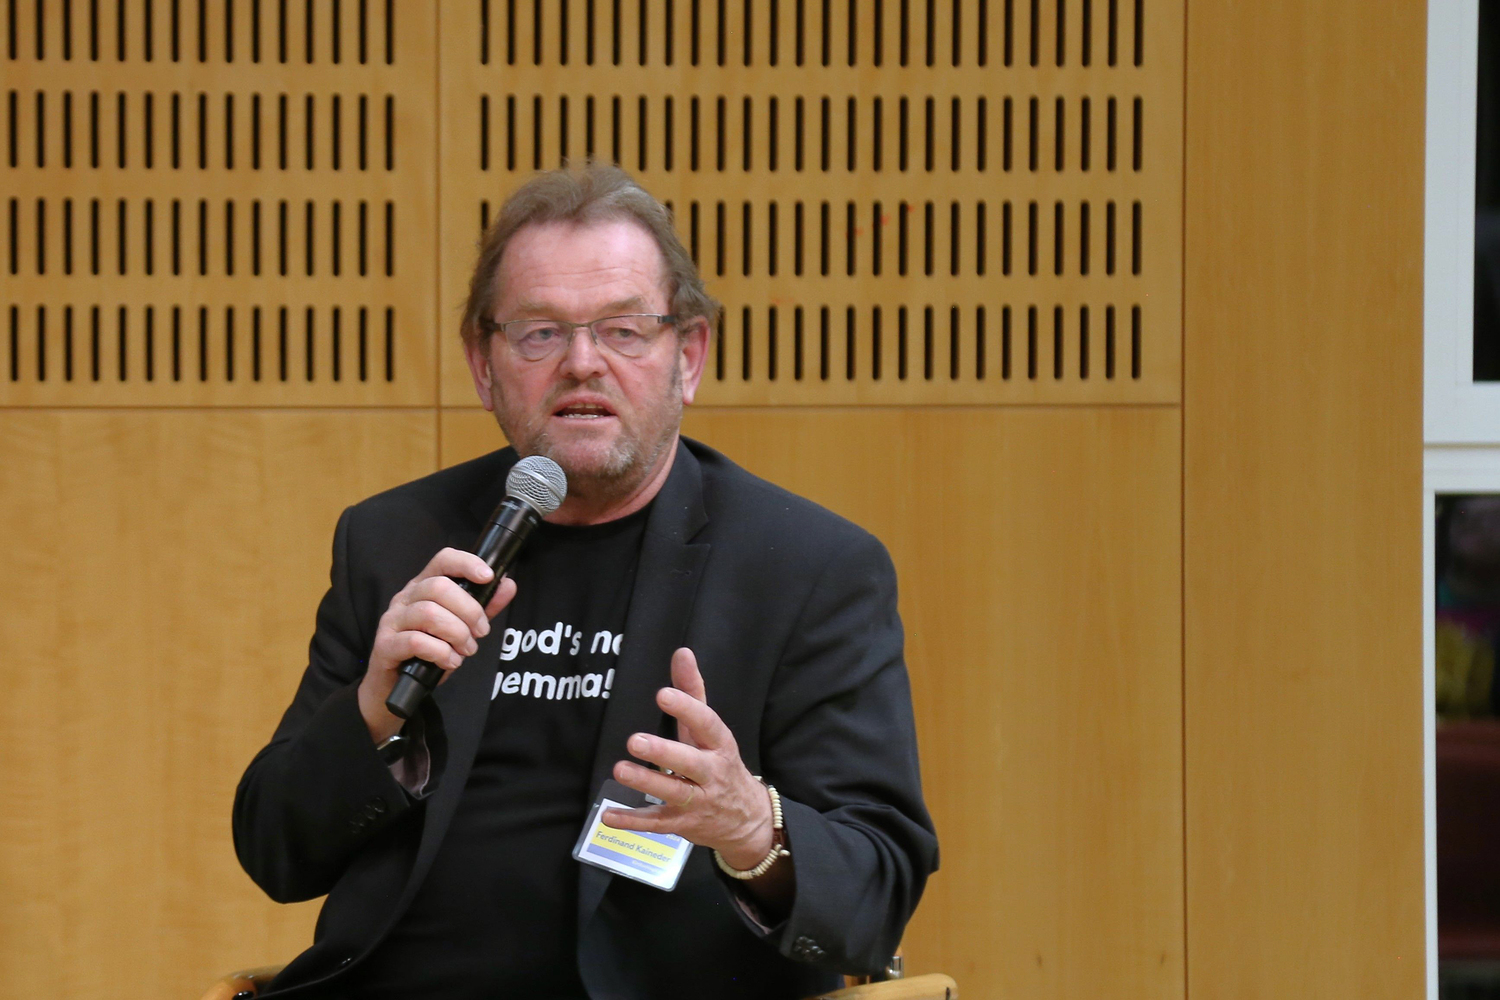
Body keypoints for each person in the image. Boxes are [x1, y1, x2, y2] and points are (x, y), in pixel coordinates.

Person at [233, 164, 939, 999]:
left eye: (623, 331)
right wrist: (372, 715)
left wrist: (754, 827)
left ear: (689, 357)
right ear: (483, 365)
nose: (581, 363)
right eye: (539, 333)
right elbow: (275, 853)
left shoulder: (805, 568)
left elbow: (875, 898)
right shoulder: (396, 541)